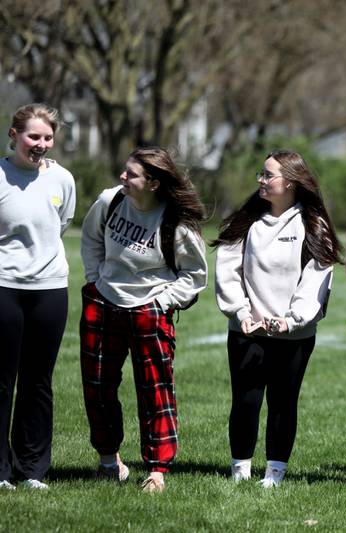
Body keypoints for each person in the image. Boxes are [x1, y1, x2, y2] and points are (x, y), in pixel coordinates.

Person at [80, 146, 207, 493]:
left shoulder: (176, 224)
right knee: (98, 387)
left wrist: (160, 303)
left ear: (152, 183)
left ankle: (156, 469)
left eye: (131, 174)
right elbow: (91, 239)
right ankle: (109, 463)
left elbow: (195, 275)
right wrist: (94, 281)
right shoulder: (110, 201)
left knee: (155, 391)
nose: (123, 178)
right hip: (103, 302)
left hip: (149, 312)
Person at [213, 149, 340, 488]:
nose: (261, 180)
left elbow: (317, 278)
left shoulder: (314, 225)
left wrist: (291, 319)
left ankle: (275, 473)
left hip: (293, 335)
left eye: (268, 175)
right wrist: (240, 313)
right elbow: (228, 270)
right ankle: (240, 470)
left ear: (292, 182)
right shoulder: (245, 220)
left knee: (284, 402)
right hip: (247, 330)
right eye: (262, 173)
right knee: (246, 400)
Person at [0, 103, 75, 490]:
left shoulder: (63, 179)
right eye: (33, 136)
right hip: (4, 289)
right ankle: (0, 471)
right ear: (14, 135)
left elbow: (59, 226)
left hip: (49, 291)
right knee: (2, 380)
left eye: (47, 137)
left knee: (38, 382)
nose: (41, 144)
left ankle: (32, 470)